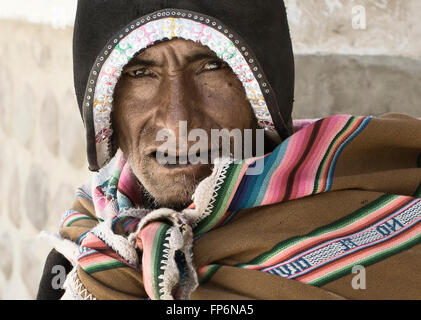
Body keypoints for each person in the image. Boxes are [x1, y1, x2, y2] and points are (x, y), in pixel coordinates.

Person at [37, 0, 421, 300]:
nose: (177, 121)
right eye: (140, 73)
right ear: (107, 110)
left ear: (262, 95)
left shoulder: (388, 207)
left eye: (210, 66)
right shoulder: (86, 247)